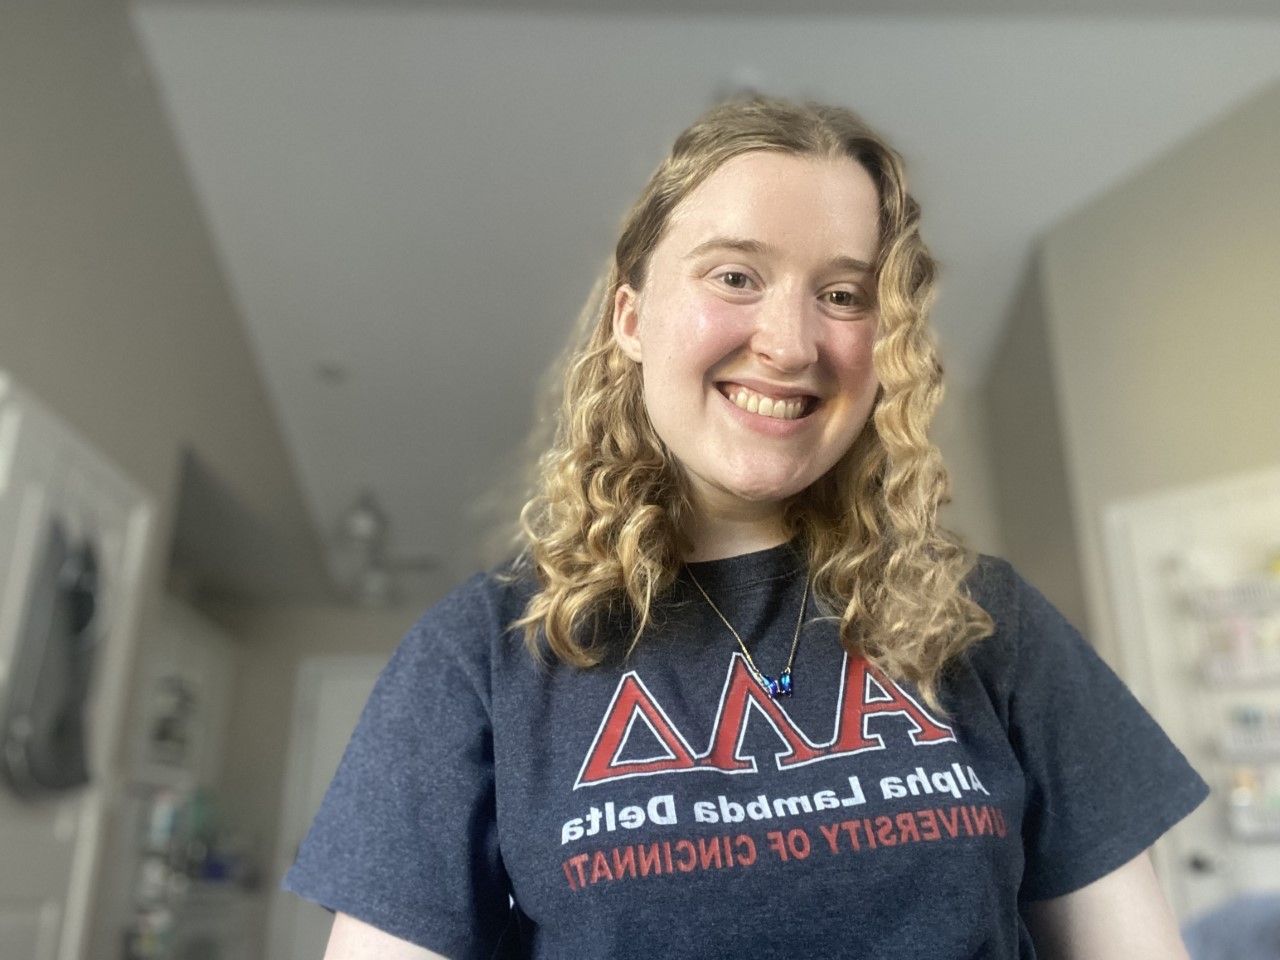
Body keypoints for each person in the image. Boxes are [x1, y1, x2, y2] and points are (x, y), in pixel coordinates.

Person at [285, 96, 1208, 959]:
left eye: (843, 294)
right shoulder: (480, 655)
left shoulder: (986, 620)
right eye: (735, 275)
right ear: (632, 318)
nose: (791, 342)